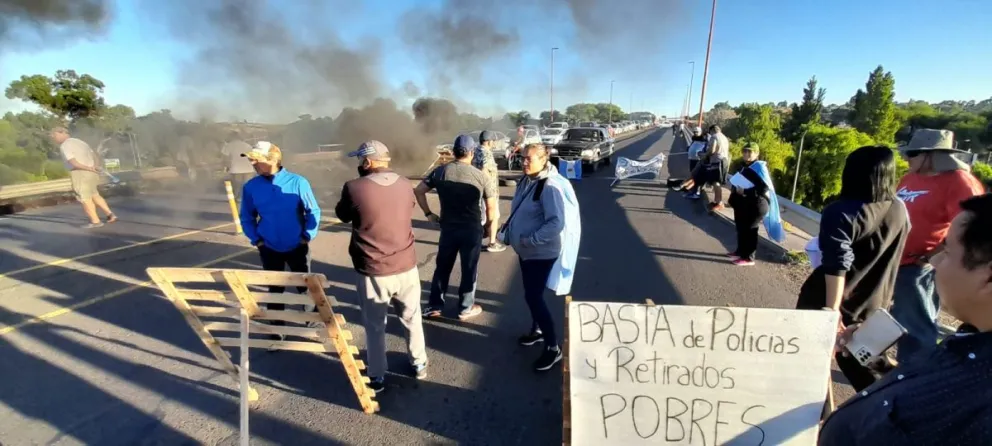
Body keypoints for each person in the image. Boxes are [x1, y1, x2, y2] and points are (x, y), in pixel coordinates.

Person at [819, 193, 992, 445]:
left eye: (948, 251)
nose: (934, 260)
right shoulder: (970, 340)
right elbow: (927, 391)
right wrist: (878, 363)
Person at [795, 146, 909, 391]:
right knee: (864, 362)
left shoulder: (841, 212)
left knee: (810, 359)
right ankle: (896, 396)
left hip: (831, 299)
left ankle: (817, 416)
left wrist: (832, 311)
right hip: (873, 301)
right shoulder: (899, 209)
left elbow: (837, 264)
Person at [335, 140, 428, 393]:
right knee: (412, 318)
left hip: (373, 270)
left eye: (359, 161)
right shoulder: (404, 184)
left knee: (375, 326)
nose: (358, 165)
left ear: (367, 162)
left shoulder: (354, 188)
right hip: (406, 266)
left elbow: (343, 215)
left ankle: (377, 376)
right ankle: (419, 363)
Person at [889, 129, 986, 363]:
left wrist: (932, 255)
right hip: (895, 263)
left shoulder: (960, 182)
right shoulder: (911, 177)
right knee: (897, 320)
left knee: (917, 326)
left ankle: (914, 378)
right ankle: (904, 370)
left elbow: (972, 227)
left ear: (931, 155)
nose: (906, 158)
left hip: (919, 266)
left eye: (912, 154)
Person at [505, 143, 577, 372]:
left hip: (540, 252)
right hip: (526, 251)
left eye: (529, 159)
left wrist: (532, 240)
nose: (524, 162)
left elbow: (556, 222)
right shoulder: (527, 180)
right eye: (523, 158)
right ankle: (536, 331)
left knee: (534, 297)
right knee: (530, 294)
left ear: (543, 160)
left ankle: (553, 347)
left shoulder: (549, 186)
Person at [239, 141, 322, 337]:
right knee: (275, 290)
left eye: (257, 160)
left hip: (297, 245)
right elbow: (247, 217)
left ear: (272, 159)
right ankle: (277, 328)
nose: (253, 164)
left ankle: (313, 323)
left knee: (305, 286)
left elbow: (313, 211)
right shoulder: (251, 187)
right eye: (252, 160)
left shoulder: (298, 182)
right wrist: (257, 240)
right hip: (268, 246)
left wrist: (307, 236)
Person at [415, 134, 497, 320]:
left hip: (449, 228)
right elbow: (491, 207)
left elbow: (419, 190)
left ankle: (434, 305)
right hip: (471, 229)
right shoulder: (480, 176)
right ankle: (465, 307)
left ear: (454, 151)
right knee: (469, 268)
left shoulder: (440, 172)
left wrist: (429, 214)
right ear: (471, 152)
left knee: (442, 267)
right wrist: (488, 226)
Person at [50, 126, 118, 228]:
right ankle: (110, 215)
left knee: (84, 197)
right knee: (94, 194)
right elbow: (95, 155)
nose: (53, 138)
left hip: (80, 173)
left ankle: (95, 221)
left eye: (54, 135)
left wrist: (88, 168)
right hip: (91, 173)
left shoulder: (65, 145)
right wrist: (95, 166)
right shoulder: (80, 142)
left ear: (61, 133)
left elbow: (73, 162)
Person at [727, 144, 770, 266]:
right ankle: (740, 252)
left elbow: (763, 188)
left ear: (757, 154)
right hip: (744, 204)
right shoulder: (745, 166)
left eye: (750, 152)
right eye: (745, 151)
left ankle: (748, 258)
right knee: (741, 228)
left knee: (750, 230)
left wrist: (745, 191)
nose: (746, 154)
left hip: (756, 205)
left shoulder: (758, 168)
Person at [474, 130, 507, 253]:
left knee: (483, 217)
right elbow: (484, 170)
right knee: (493, 217)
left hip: (480, 192)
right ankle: (492, 243)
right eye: (493, 141)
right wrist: (487, 188)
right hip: (488, 194)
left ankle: (477, 242)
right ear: (489, 141)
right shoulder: (486, 154)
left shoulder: (476, 151)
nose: (494, 143)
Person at [700, 125, 731, 210]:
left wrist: (705, 155)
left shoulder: (714, 136)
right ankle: (717, 201)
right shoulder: (724, 137)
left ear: (712, 131)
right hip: (724, 161)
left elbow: (712, 150)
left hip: (717, 162)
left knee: (716, 182)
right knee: (718, 181)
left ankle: (719, 203)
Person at [221, 132, 256, 201]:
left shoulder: (228, 146)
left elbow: (225, 158)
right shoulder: (247, 145)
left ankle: (237, 198)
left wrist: (226, 167)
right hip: (249, 168)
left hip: (236, 169)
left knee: (237, 184)